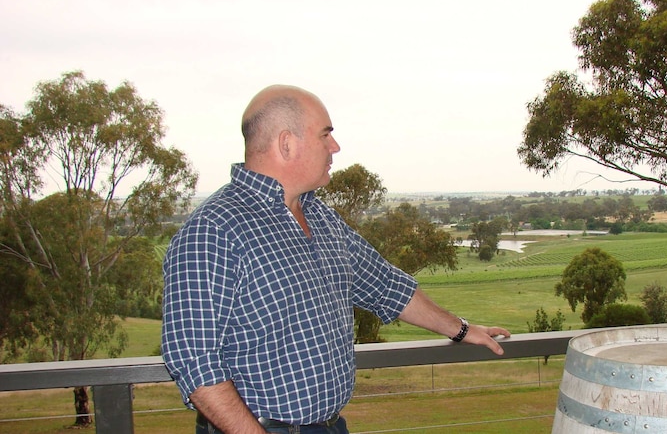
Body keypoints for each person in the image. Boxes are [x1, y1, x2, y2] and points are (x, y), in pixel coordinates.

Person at [161, 84, 511, 434]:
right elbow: (195, 361)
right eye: (325, 135)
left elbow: (386, 287)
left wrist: (462, 329)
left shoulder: (321, 218)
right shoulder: (212, 230)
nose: (335, 147)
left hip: (329, 426)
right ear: (286, 143)